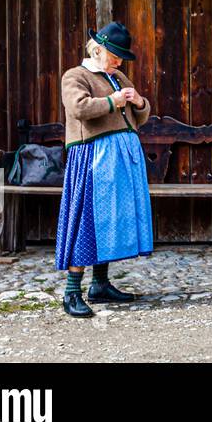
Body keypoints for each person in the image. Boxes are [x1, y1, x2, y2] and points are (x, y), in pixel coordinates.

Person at [55, 21, 155, 318]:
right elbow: (79, 109)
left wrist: (140, 102)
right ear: (98, 50)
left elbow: (139, 116)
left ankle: (99, 284)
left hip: (120, 157)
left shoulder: (118, 76)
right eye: (114, 56)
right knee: (88, 219)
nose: (118, 62)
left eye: (121, 57)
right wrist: (113, 101)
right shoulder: (76, 76)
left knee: (110, 219)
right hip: (93, 156)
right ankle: (72, 291)